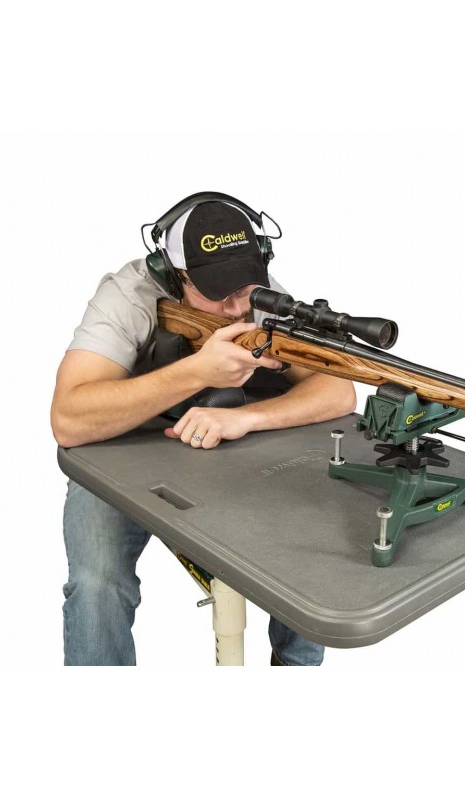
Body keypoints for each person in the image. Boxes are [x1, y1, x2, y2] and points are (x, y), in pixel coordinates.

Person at [51, 192, 356, 666]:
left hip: (221, 442)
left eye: (245, 287)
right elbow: (69, 419)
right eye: (217, 291)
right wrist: (196, 373)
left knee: (312, 549)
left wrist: (245, 418)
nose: (236, 308)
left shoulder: (261, 296)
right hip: (119, 451)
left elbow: (338, 390)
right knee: (97, 585)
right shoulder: (126, 296)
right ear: (174, 274)